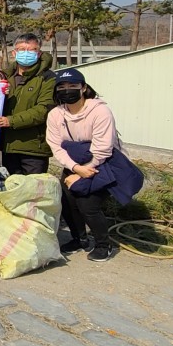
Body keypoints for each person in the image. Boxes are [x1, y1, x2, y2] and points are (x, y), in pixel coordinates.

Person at [46, 68, 129, 262]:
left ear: (83, 88)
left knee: (87, 203)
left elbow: (104, 148)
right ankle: (79, 239)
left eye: (73, 86)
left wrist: (85, 170)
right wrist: (74, 169)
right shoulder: (56, 114)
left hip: (102, 162)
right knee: (67, 200)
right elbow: (56, 146)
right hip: (74, 162)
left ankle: (103, 244)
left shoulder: (100, 111)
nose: (67, 90)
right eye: (62, 87)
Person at [0, 33, 55, 176]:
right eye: (22, 49)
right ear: (14, 53)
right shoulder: (5, 77)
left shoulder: (48, 78)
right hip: (9, 146)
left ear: (39, 53)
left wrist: (11, 121)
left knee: (34, 192)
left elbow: (43, 110)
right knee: (13, 189)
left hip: (34, 147)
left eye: (32, 50)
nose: (26, 53)